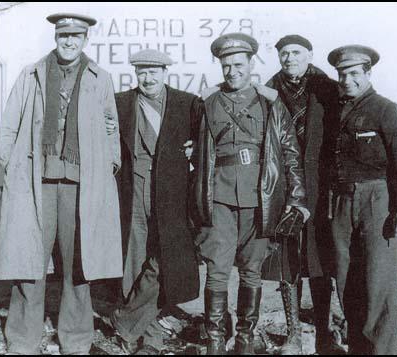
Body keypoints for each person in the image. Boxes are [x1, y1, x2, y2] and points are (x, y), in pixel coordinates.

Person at [0, 13, 123, 355]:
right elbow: (9, 124)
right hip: (35, 183)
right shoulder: (31, 74)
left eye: (76, 36)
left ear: (85, 40)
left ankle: (77, 339)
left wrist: (110, 161)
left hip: (80, 184)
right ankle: (22, 340)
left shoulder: (100, 78)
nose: (69, 41)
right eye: (63, 34)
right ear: (56, 37)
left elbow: (112, 127)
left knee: (78, 265)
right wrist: (7, 163)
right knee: (28, 263)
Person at [193, 32, 309, 354]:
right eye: (226, 66)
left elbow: (289, 152)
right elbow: (193, 148)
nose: (232, 71)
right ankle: (216, 341)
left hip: (261, 198)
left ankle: (244, 338)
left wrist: (297, 199)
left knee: (251, 270)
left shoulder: (271, 104)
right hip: (218, 198)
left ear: (251, 64)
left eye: (238, 64)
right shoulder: (206, 103)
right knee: (216, 270)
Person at [108, 49, 201, 355]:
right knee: (134, 257)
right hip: (133, 190)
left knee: (164, 259)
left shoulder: (186, 104)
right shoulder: (121, 103)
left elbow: (205, 139)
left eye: (153, 72)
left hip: (172, 195)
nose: (147, 78)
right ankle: (149, 337)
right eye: (142, 72)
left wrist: (195, 148)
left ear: (165, 72)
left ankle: (125, 320)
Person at [327, 45, 397, 354]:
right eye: (342, 74)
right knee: (346, 278)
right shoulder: (336, 110)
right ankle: (359, 348)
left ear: (368, 73)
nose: (347, 79)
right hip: (342, 201)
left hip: (378, 201)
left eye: (354, 73)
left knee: (379, 282)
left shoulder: (385, 109)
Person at [263, 34, 341, 354]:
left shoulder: (328, 88)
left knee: (320, 260)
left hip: (321, 185)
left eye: (296, 52)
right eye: (284, 53)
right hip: (283, 186)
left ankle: (324, 332)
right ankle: (294, 333)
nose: (289, 58)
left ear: (309, 54)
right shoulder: (268, 90)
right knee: (289, 259)